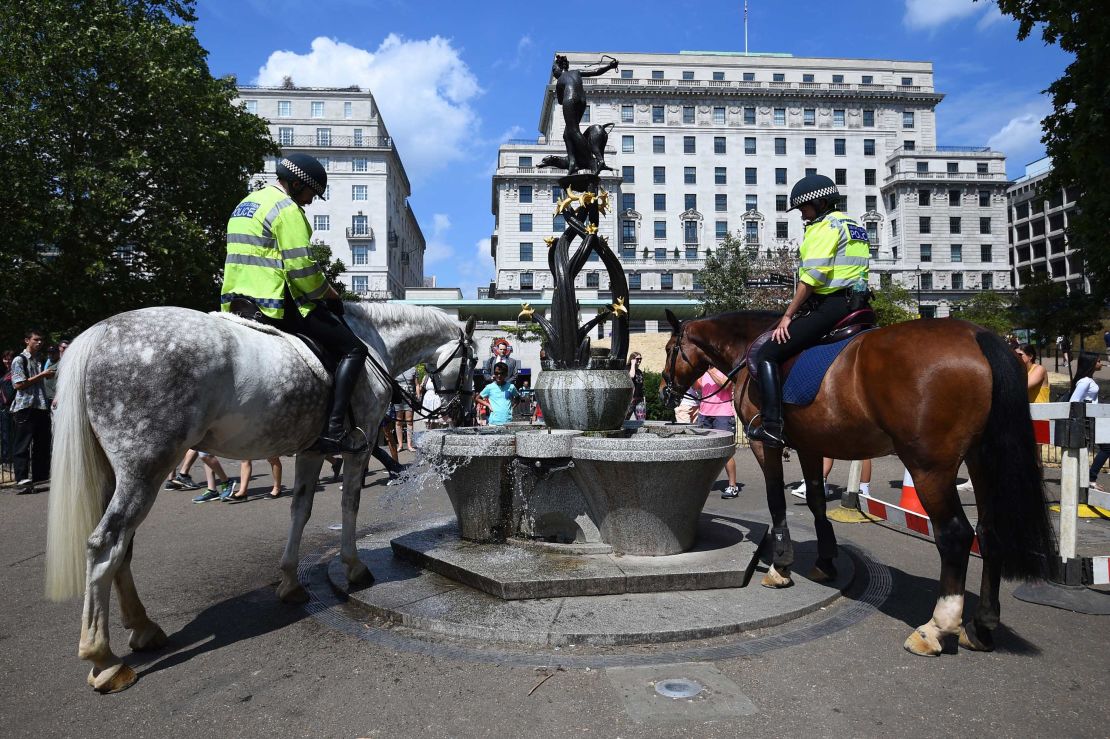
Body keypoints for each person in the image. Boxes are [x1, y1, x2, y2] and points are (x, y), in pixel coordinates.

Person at [220, 153, 368, 454]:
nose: (311, 202)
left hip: (235, 299)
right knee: (354, 349)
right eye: (311, 193)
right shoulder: (287, 209)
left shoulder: (246, 204)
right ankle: (334, 431)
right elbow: (302, 269)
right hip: (272, 300)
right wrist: (330, 294)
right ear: (297, 184)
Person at [749, 174, 871, 448]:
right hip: (860, 305)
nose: (803, 216)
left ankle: (772, 426)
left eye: (804, 209)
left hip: (832, 306)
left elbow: (812, 279)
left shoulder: (823, 227)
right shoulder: (854, 225)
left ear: (821, 202)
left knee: (768, 351)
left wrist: (788, 314)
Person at [10, 328, 54, 491]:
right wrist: (42, 375)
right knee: (22, 444)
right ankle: (21, 478)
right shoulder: (19, 360)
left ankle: (40, 477)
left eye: (41, 340)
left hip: (41, 405)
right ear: (27, 340)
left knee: (42, 443)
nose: (39, 342)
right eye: (36, 339)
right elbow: (19, 384)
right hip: (25, 407)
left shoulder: (38, 359)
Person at [695, 368, 740, 499]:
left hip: (723, 415)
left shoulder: (724, 368)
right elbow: (698, 387)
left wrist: (709, 371)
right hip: (704, 414)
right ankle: (703, 484)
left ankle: (732, 486)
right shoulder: (704, 371)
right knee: (704, 451)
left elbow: (725, 384)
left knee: (726, 453)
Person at [1070, 352, 1108, 493]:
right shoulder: (1085, 381)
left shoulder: (1088, 380)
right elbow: (1074, 401)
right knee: (1107, 448)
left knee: (1106, 448)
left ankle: (1089, 478)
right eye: (1098, 361)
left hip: (1095, 418)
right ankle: (1090, 479)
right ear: (1091, 363)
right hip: (1089, 420)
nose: (1101, 363)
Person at [476, 362, 518, 426]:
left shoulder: (511, 387)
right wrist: (488, 405)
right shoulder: (489, 387)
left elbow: (518, 398)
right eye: (496, 373)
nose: (499, 375)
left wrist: (512, 408)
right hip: (493, 423)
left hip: (508, 422)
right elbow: (477, 398)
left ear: (506, 374)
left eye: (502, 373)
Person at [394, 367, 418, 452]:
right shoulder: (397, 367)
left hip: (409, 399)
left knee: (409, 421)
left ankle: (409, 445)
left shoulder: (413, 369)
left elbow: (417, 384)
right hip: (398, 399)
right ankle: (400, 445)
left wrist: (418, 397)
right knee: (398, 421)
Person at [626, 352, 646, 421]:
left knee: (641, 420)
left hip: (639, 399)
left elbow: (641, 385)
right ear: (632, 359)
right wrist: (633, 364)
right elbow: (631, 376)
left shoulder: (639, 371)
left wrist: (643, 397)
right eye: (638, 359)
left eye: (640, 359)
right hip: (630, 399)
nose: (639, 360)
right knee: (625, 419)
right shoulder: (627, 369)